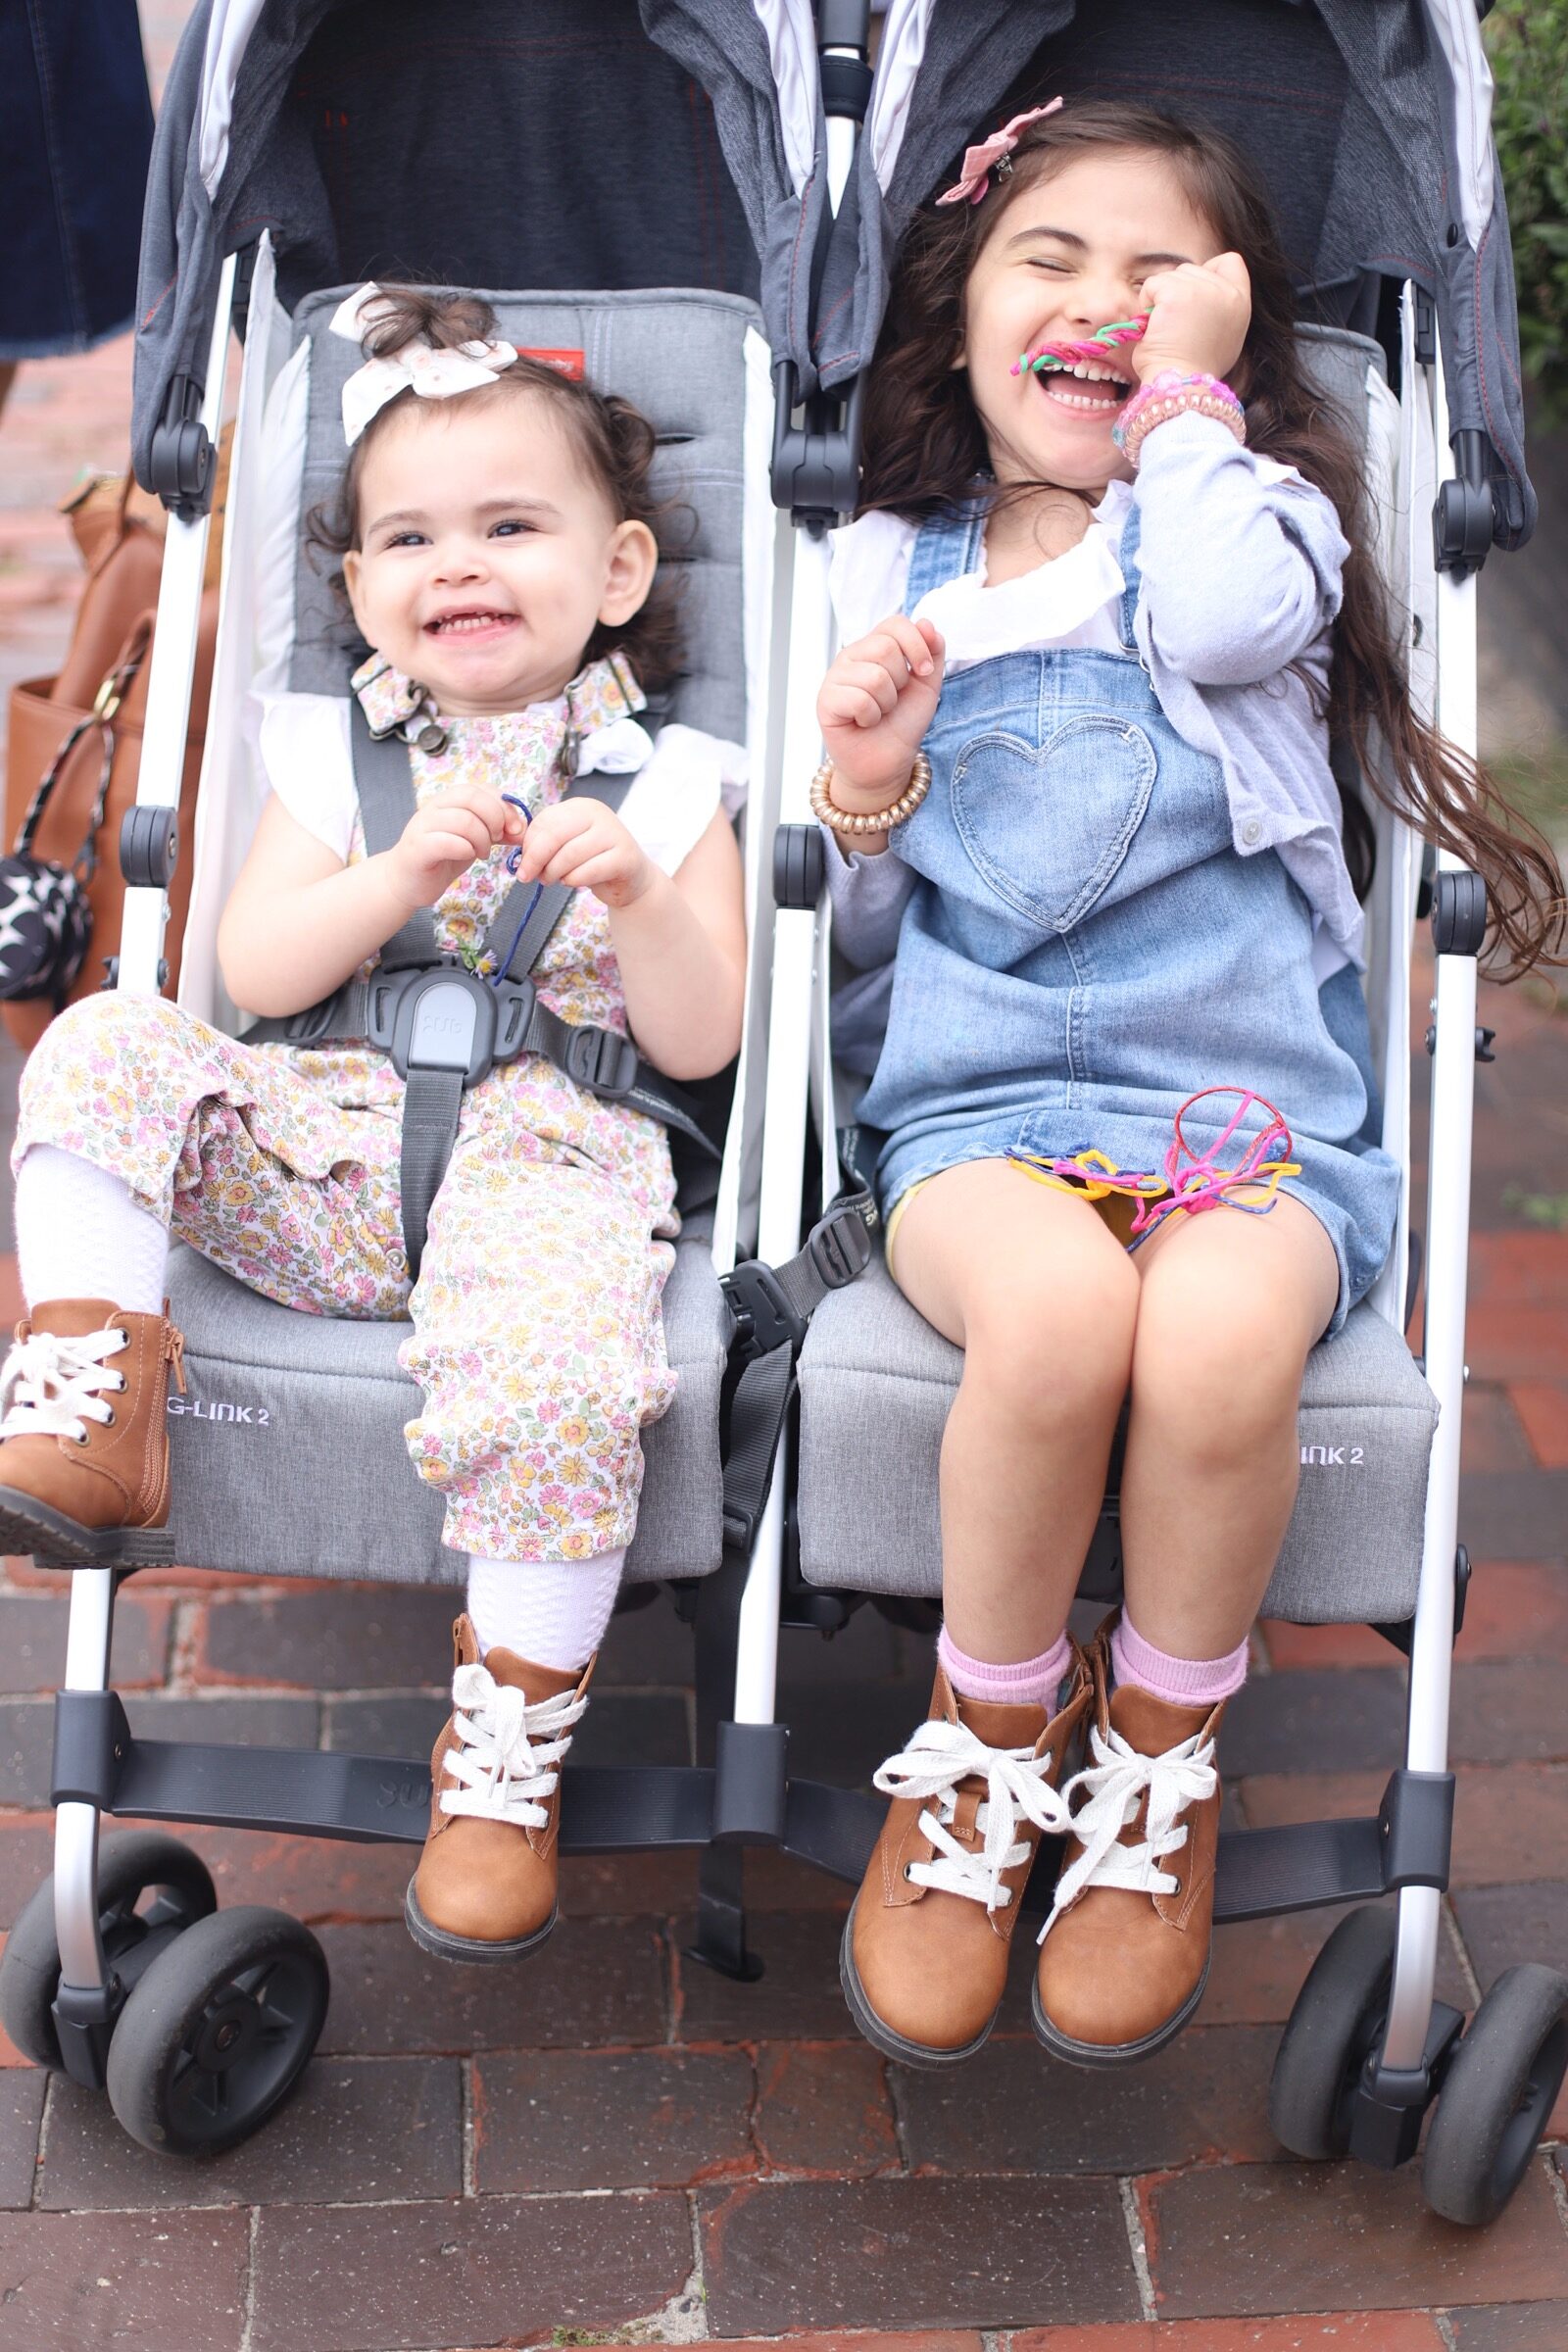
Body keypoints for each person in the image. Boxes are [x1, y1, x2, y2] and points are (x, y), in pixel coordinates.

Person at [815, 100, 1564, 2072]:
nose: (1101, 304)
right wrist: (867, 775)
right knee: (1056, 1319)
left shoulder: (1254, 528)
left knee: (1221, 1347)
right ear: (957, 314)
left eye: (1159, 276)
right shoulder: (899, 561)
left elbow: (1218, 623)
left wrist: (1178, 415)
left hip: (1248, 1120)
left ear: (1225, 334)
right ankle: (983, 1750)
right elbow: (856, 911)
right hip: (983, 1106)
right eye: (1047, 263)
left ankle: (1155, 1759)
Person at [0, 286, 748, 1967]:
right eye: (408, 536)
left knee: (566, 1376)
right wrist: (397, 872)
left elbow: (703, 1041)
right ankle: (91, 1395)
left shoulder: (679, 782)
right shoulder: (333, 754)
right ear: (355, 592)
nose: (456, 562)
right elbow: (254, 969)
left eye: (510, 523)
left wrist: (637, 891)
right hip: (322, 1153)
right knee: (108, 1040)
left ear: (618, 573)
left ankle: (503, 1757)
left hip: (552, 1166)